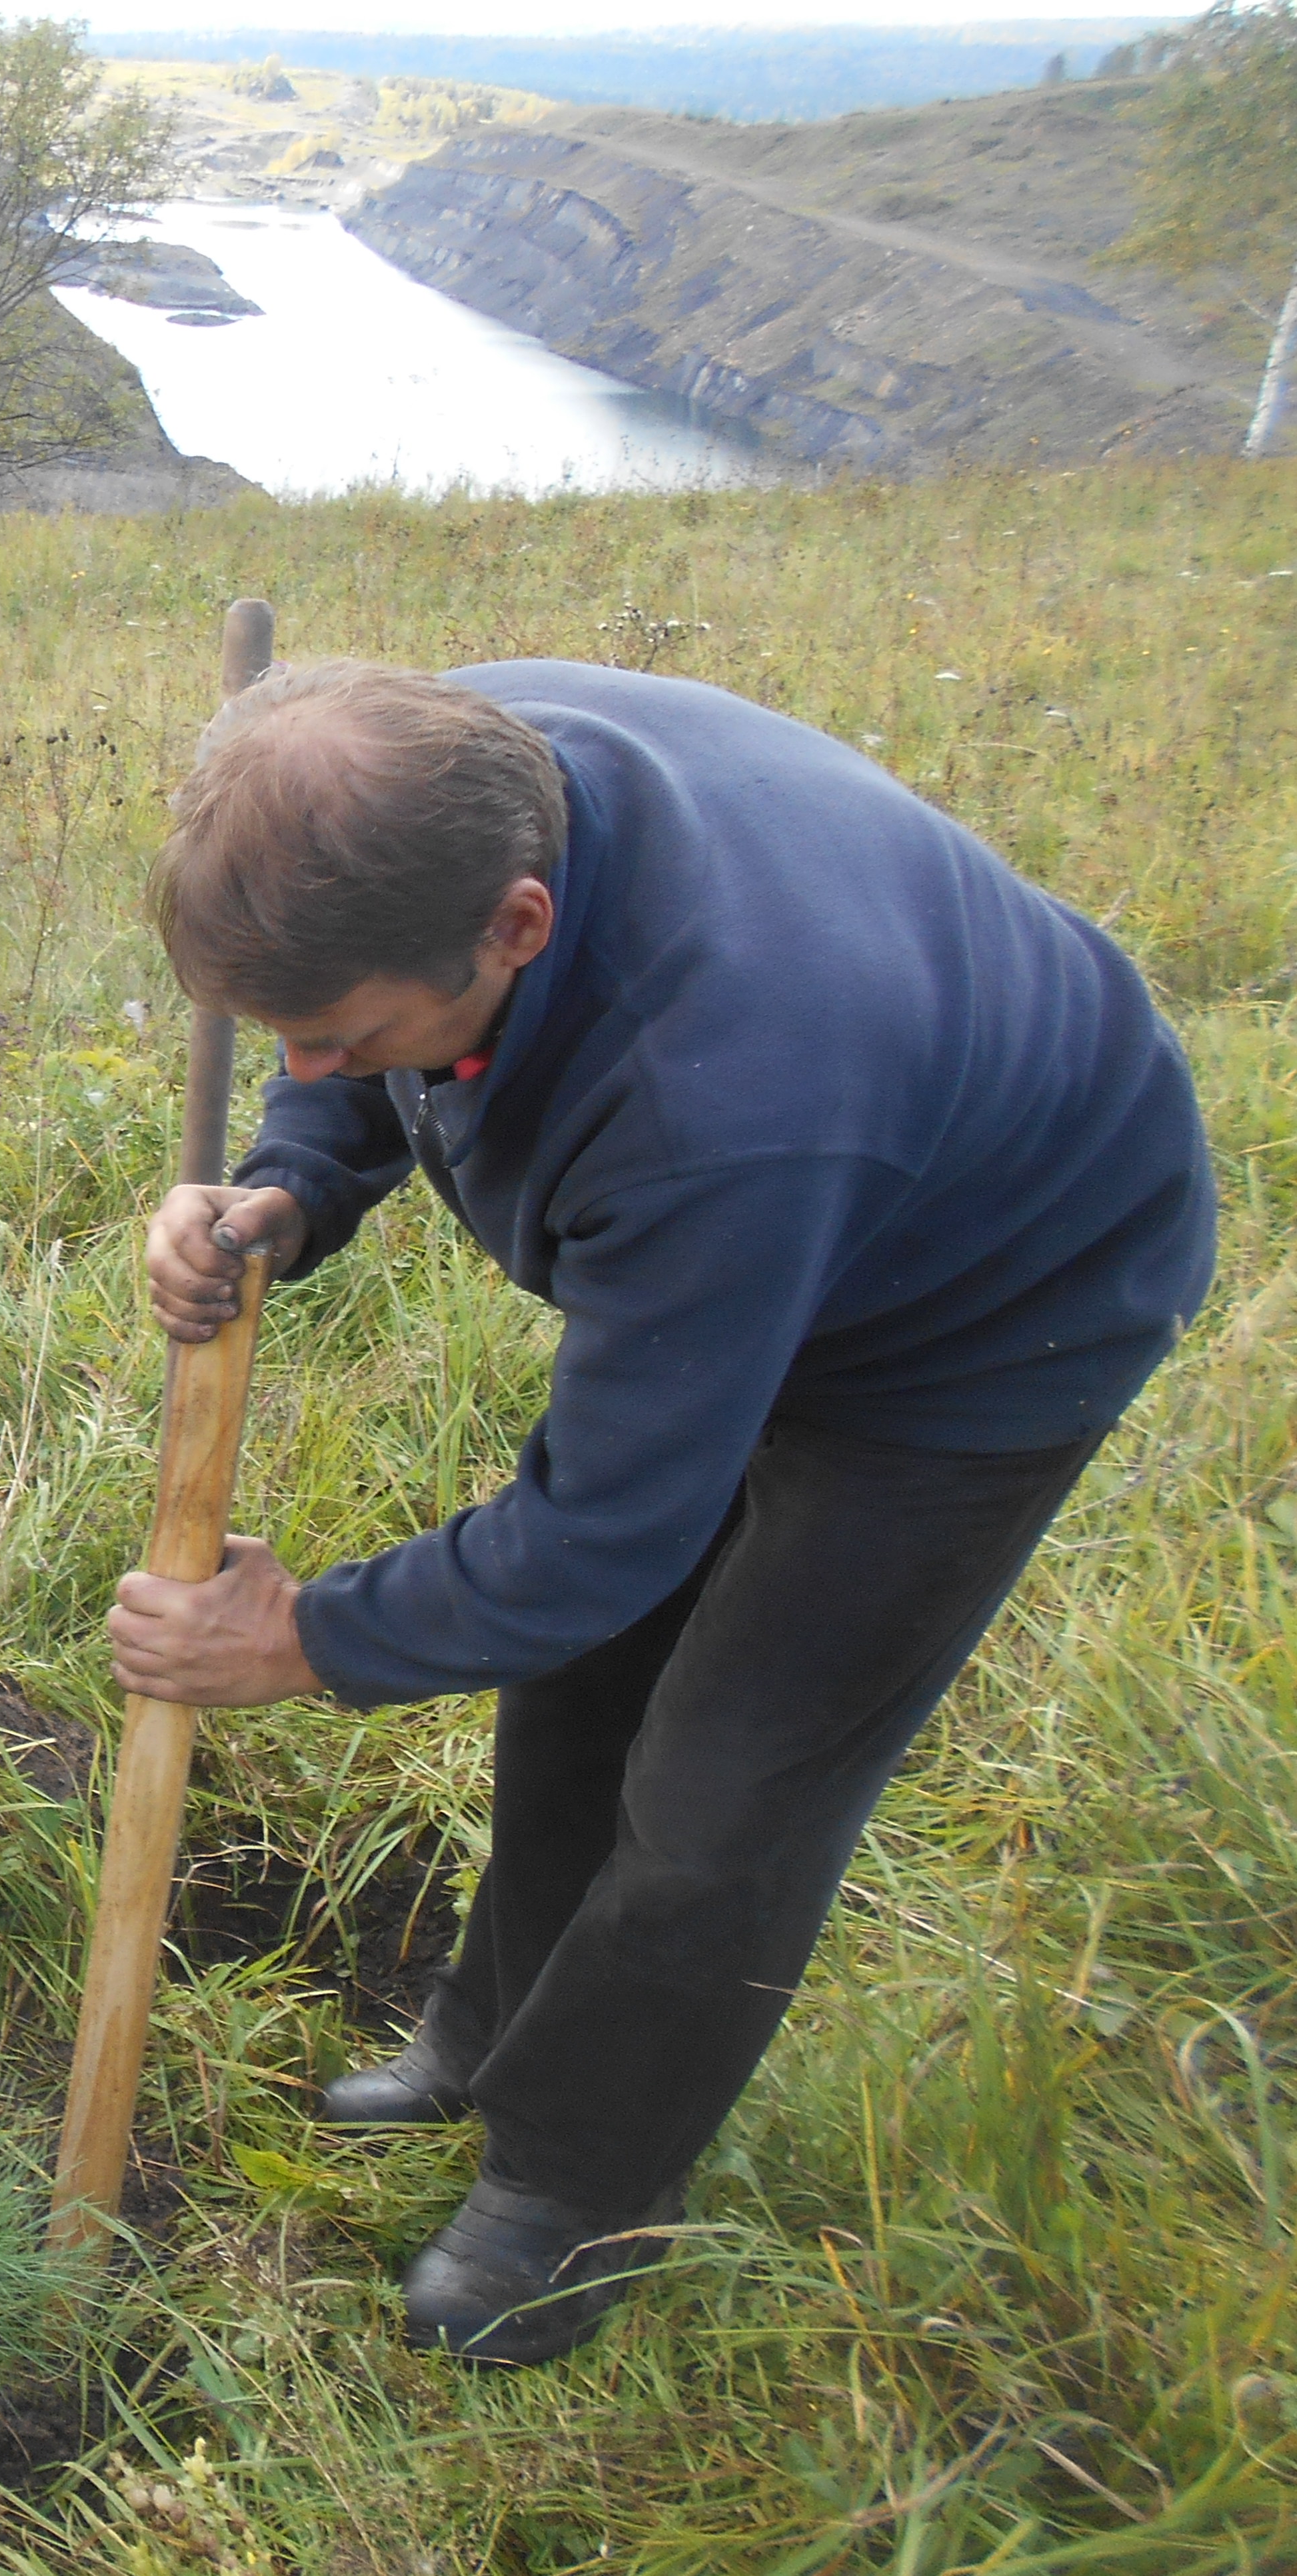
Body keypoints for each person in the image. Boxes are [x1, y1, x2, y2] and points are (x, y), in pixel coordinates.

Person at [105, 658, 1214, 2365]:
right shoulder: (413, 782)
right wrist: (294, 1175)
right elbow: (350, 1034)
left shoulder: (725, 1088)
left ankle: (574, 2188)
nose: (312, 1060)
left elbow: (595, 1536)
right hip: (794, 1201)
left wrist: (302, 1635)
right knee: (579, 1690)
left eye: (345, 1041)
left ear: (519, 925)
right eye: (280, 1034)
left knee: (729, 1783)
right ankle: (482, 2034)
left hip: (990, 1309)